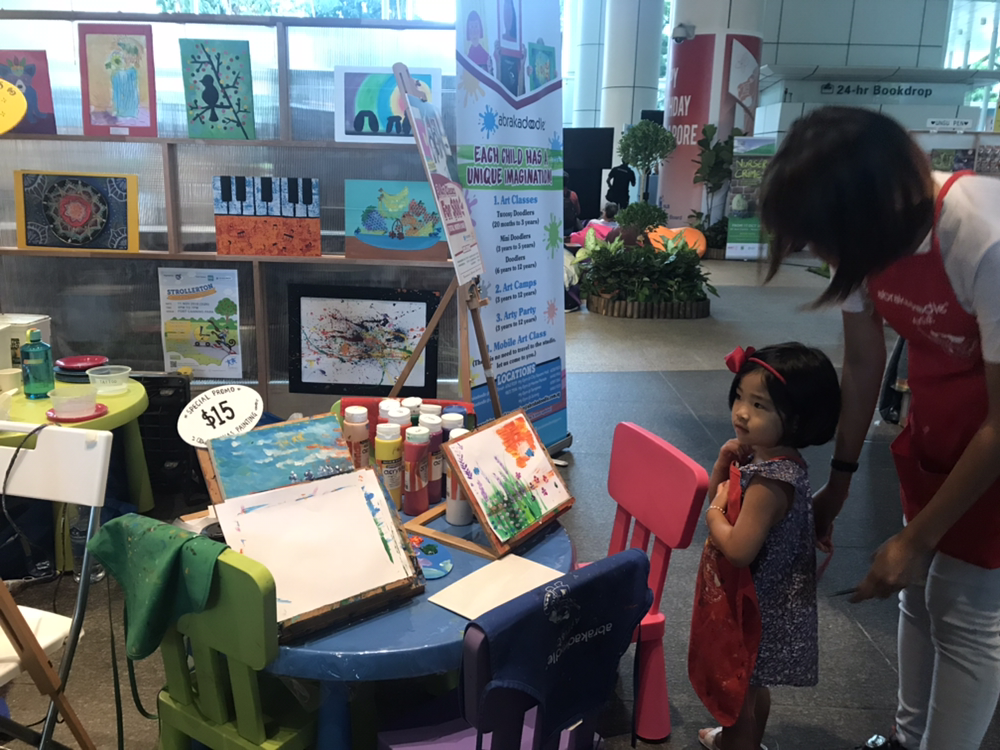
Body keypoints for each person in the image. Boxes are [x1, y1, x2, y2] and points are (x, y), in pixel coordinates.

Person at [759, 105, 1000, 750]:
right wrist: (838, 483)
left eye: (824, 242)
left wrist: (917, 538)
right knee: (916, 595)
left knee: (967, 613)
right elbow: (864, 363)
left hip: (992, 445)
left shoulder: (983, 235)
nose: (824, 257)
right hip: (941, 437)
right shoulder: (868, 239)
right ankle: (906, 737)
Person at [690, 343, 841, 750]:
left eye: (759, 405)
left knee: (737, 701)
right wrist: (722, 466)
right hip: (768, 603)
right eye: (740, 397)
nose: (741, 412)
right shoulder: (778, 461)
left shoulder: (769, 484)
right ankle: (749, 742)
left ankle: (737, 742)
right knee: (753, 687)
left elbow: (738, 547)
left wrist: (712, 516)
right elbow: (727, 502)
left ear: (797, 419)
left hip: (753, 608)